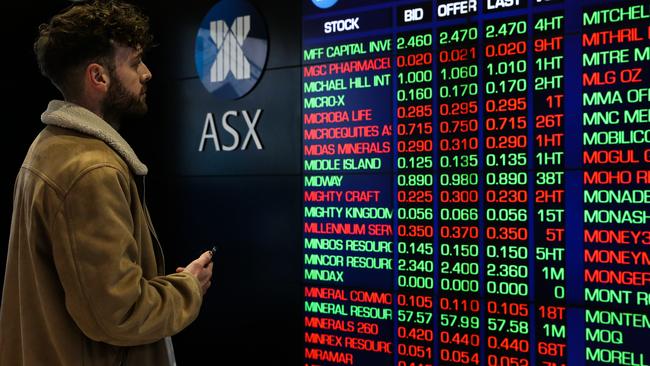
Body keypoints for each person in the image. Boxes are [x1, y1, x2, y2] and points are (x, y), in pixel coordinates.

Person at [0, 1, 213, 365]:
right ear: (98, 77)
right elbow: (118, 315)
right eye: (134, 63)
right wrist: (188, 287)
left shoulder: (50, 147)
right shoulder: (91, 171)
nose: (146, 73)